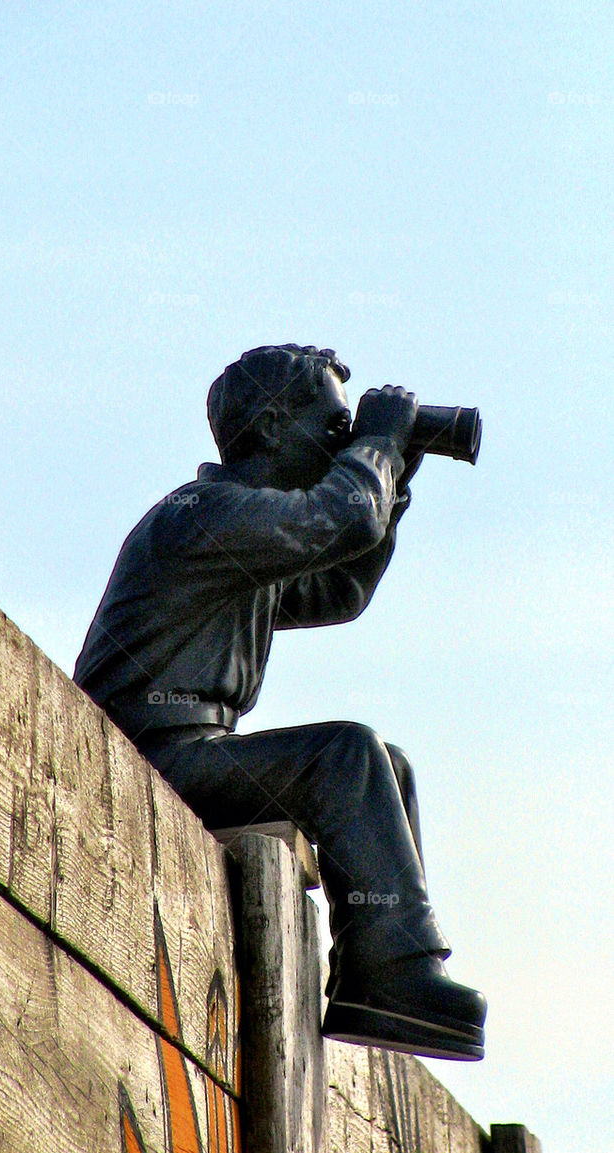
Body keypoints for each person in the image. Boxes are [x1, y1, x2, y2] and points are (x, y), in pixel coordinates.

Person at [73, 343, 486, 1061]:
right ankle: (392, 973)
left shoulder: (241, 527)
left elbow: (338, 589)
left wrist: (394, 474)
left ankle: (376, 975)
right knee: (345, 754)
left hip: (187, 752)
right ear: (269, 427)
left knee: (387, 765)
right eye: (331, 426)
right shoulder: (205, 515)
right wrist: (379, 447)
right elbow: (342, 521)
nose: (341, 440)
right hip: (140, 758)